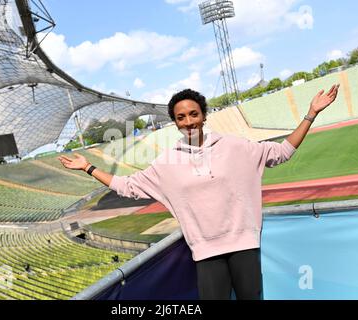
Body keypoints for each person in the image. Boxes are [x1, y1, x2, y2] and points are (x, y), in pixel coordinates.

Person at [58, 85, 340, 300]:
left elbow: (282, 152)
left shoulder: (236, 146)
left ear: (204, 115)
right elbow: (128, 187)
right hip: (205, 253)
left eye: (194, 114)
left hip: (244, 245)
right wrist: (88, 167)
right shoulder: (166, 163)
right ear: (175, 123)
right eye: (181, 118)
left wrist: (311, 114)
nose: (189, 121)